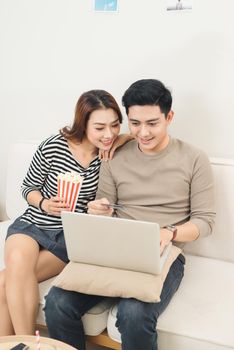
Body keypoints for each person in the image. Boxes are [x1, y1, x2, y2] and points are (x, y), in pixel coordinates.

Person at [44, 79, 215, 350]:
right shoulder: (114, 155)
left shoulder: (194, 158)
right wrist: (97, 210)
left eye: (152, 123)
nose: (143, 132)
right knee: (56, 303)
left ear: (169, 117)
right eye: (134, 123)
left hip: (164, 251)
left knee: (134, 314)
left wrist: (169, 232)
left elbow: (205, 221)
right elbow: (105, 204)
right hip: (114, 247)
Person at [0, 89, 126, 336]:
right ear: (83, 124)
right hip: (33, 224)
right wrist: (45, 203)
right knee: (17, 263)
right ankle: (27, 342)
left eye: (114, 125)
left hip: (69, 236)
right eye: (100, 127)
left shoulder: (109, 154)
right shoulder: (53, 146)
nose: (108, 134)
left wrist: (123, 140)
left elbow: (135, 137)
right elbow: (28, 187)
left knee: (5, 281)